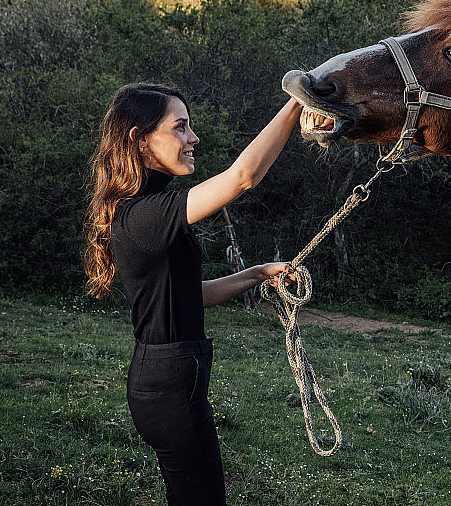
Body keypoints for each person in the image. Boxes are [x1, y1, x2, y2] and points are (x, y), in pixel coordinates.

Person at [84, 83, 301, 505]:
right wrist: (296, 104)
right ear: (140, 140)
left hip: (168, 380)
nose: (193, 138)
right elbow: (243, 177)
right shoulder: (144, 214)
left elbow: (190, 294)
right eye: (180, 127)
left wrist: (256, 274)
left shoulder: (147, 207)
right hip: (168, 385)